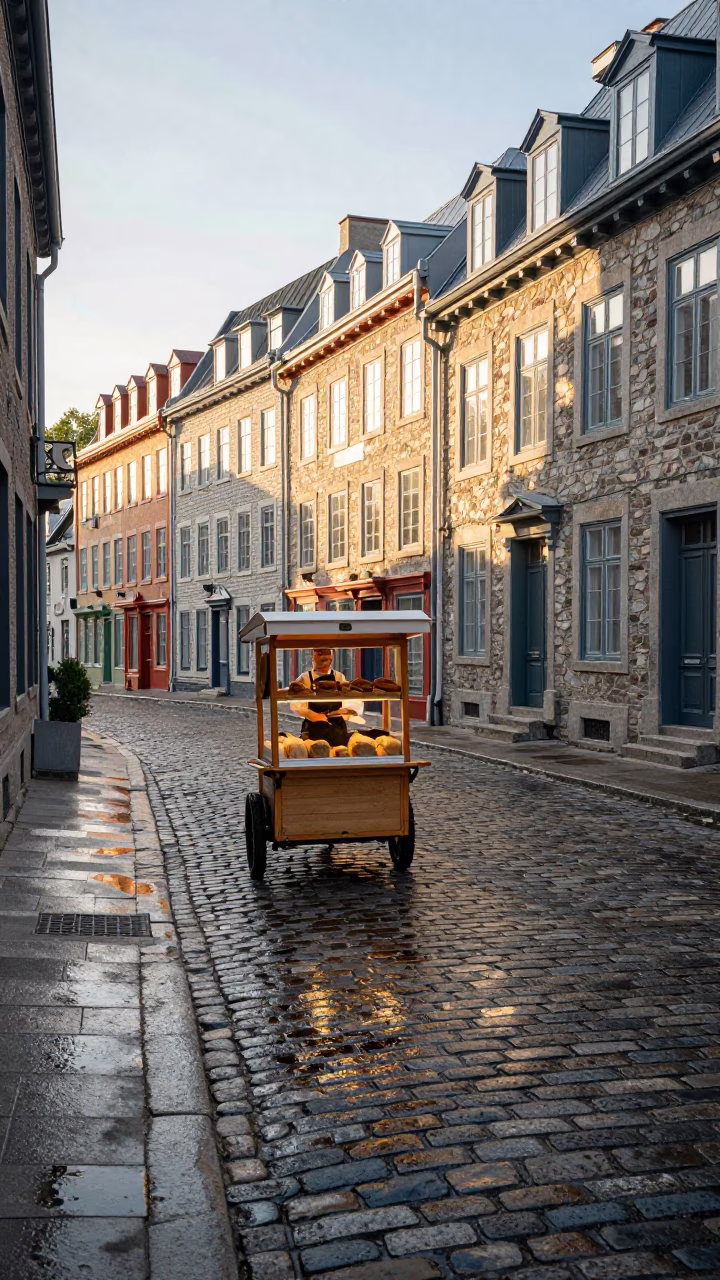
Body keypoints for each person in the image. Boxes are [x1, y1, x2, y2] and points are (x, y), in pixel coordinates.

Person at [289, 647, 365, 749]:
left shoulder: (339, 677)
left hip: (337, 728)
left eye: (326, 654)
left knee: (338, 752)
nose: (323, 657)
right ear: (313, 657)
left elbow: (352, 702)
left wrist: (341, 712)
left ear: (331, 658)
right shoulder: (305, 678)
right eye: (319, 654)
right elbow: (295, 704)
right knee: (315, 752)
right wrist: (313, 715)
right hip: (314, 727)